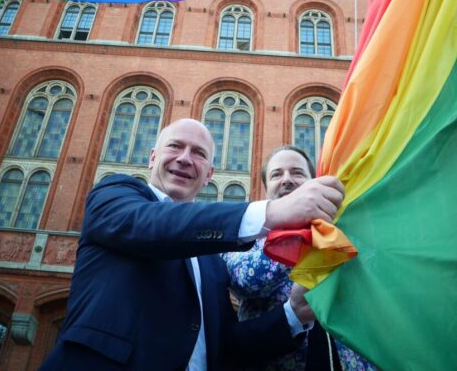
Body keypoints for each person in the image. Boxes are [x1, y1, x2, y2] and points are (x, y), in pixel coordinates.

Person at [40, 119, 345, 371]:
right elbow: (154, 224)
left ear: (209, 175)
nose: (185, 158)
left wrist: (295, 313)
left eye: (199, 153)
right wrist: (273, 212)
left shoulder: (211, 259)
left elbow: (225, 343)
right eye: (175, 146)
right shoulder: (115, 195)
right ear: (152, 158)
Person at [223, 146, 376, 371]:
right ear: (266, 190)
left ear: (312, 183)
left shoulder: (339, 232)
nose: (287, 180)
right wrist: (308, 236)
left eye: (297, 173)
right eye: (277, 174)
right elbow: (246, 281)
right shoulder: (247, 241)